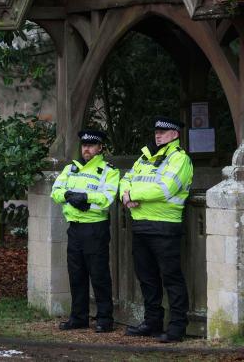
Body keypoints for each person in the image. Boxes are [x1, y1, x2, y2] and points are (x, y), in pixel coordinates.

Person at [120, 116, 193, 343]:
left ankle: (177, 328)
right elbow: (126, 178)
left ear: (175, 134)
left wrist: (134, 194)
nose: (158, 134)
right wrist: (124, 194)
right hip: (140, 225)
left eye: (163, 131)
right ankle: (152, 322)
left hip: (165, 227)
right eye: (156, 131)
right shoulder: (145, 157)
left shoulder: (179, 159)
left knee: (172, 279)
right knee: (147, 278)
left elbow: (166, 188)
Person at [51, 130, 119, 333]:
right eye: (84, 145)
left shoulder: (108, 170)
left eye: (91, 145)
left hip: (95, 228)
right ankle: (78, 317)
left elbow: (107, 197)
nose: (86, 149)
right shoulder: (71, 168)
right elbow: (55, 192)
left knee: (99, 275)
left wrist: (85, 198)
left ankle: (105, 319)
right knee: (76, 274)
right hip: (75, 228)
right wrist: (70, 195)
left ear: (100, 147)